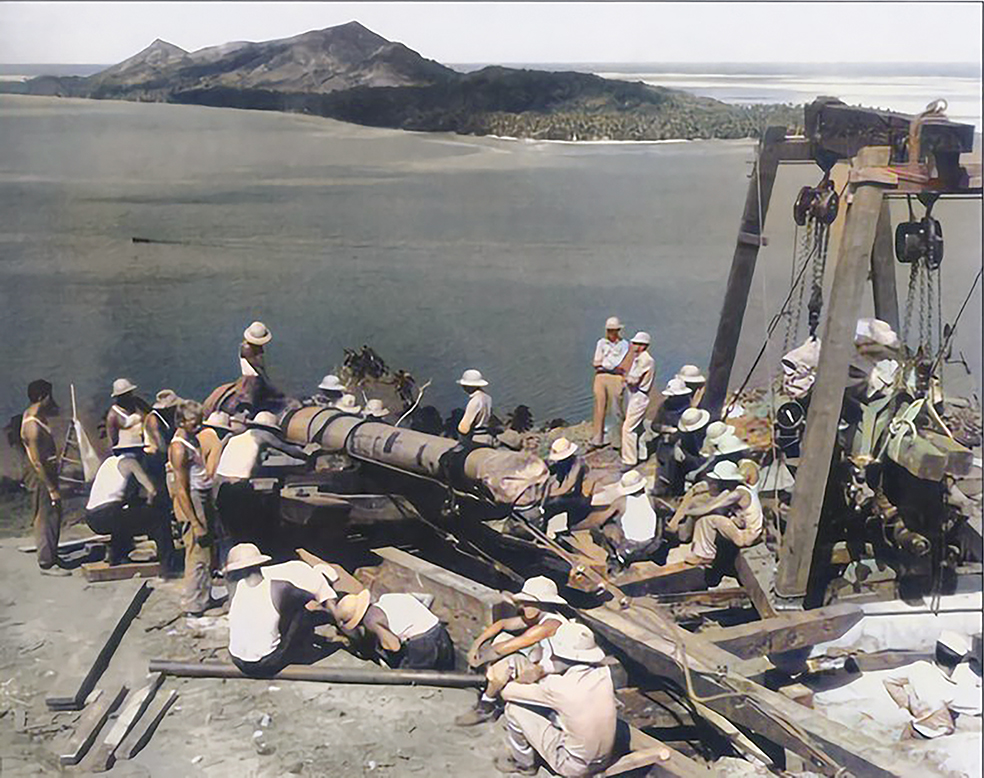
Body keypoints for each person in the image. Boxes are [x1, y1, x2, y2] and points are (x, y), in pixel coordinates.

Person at [496, 622, 616, 777]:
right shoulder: (603, 673)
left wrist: (527, 676)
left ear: (558, 655)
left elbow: (507, 692)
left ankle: (524, 764)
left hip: (573, 766)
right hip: (604, 758)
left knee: (514, 709)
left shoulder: (557, 688)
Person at [456, 576, 571, 727]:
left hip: (555, 677)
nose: (523, 607)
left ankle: (487, 705)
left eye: (528, 603)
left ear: (543, 603)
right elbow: (502, 624)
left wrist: (481, 658)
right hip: (543, 666)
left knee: (508, 661)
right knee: (502, 638)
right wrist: (476, 645)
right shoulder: (540, 616)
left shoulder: (549, 625)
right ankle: (495, 685)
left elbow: (511, 646)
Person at [225, 544, 340, 677]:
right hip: (265, 663)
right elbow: (308, 597)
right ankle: (302, 650)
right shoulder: (280, 588)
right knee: (301, 612)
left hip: (236, 659)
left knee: (271, 611)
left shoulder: (237, 587)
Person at [85, 425, 178, 573]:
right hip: (107, 515)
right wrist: (151, 504)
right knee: (159, 519)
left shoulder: (108, 462)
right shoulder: (131, 462)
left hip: (92, 516)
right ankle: (169, 564)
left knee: (127, 515)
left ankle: (117, 555)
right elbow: (152, 490)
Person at [214, 411, 312, 546]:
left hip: (221, 486)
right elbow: (287, 449)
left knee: (231, 530)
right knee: (248, 525)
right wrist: (308, 454)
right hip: (238, 487)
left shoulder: (236, 438)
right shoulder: (262, 435)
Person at [169, 402, 218, 616]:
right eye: (193, 422)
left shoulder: (192, 439)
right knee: (197, 552)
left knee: (206, 552)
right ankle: (194, 604)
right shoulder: (179, 448)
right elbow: (181, 490)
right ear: (181, 422)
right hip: (192, 500)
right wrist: (195, 522)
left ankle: (203, 598)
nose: (198, 425)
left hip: (202, 495)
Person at [332, 589, 455, 670]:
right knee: (445, 673)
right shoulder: (387, 597)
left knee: (414, 681)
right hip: (439, 632)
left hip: (422, 645)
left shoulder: (370, 620)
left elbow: (394, 646)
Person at [20, 380, 68, 575]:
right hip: (41, 474)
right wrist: (51, 488)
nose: (52, 399)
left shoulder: (37, 417)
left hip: (48, 471)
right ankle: (47, 562)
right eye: (49, 395)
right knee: (45, 515)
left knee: (54, 513)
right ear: (42, 397)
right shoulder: (32, 425)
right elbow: (37, 461)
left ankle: (52, 553)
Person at [683, 461, 763, 566]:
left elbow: (711, 507)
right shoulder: (732, 490)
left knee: (706, 520)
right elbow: (713, 502)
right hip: (743, 528)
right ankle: (701, 548)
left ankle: (705, 555)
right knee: (715, 516)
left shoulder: (738, 494)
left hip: (747, 535)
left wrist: (685, 512)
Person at [592, 470, 660, 569]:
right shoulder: (652, 500)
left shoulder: (621, 502)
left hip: (630, 548)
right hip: (652, 546)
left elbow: (600, 521)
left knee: (607, 528)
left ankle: (615, 557)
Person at [590, 317, 630, 451]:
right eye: (609, 330)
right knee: (599, 407)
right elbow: (596, 362)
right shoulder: (601, 343)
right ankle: (597, 439)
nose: (611, 333)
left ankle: (617, 441)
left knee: (616, 408)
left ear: (618, 330)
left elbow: (621, 364)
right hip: (601, 377)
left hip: (616, 378)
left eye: (613, 330)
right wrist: (608, 366)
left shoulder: (624, 344)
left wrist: (606, 365)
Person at [541, 438, 593, 532]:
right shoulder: (563, 464)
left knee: (554, 503)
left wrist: (546, 496)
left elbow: (567, 487)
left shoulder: (578, 463)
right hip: (568, 496)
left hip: (580, 498)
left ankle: (550, 530)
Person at [658, 407, 711, 497]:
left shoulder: (709, 434)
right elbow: (676, 440)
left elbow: (711, 458)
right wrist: (677, 448)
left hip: (704, 463)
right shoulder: (686, 434)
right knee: (673, 458)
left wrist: (696, 471)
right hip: (688, 458)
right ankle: (675, 491)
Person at [621, 332, 655, 469]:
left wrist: (625, 379)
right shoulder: (640, 358)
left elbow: (634, 379)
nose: (633, 345)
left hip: (639, 395)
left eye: (636, 343)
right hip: (637, 394)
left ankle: (629, 460)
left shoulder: (645, 360)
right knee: (638, 426)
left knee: (628, 428)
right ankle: (642, 453)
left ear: (643, 346)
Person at [232, 321, 279, 410]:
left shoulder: (257, 347)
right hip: (251, 378)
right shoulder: (247, 348)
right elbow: (258, 366)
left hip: (258, 377)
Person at [105, 378, 150, 447]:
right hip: (125, 449)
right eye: (123, 395)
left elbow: (151, 415)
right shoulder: (113, 415)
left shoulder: (138, 403)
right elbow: (113, 438)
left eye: (129, 393)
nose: (127, 397)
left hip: (145, 445)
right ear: (117, 397)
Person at [457, 369, 494, 445]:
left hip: (476, 439)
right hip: (488, 437)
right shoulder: (488, 398)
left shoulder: (475, 401)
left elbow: (464, 428)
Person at [143, 389, 180, 455]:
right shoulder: (153, 419)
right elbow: (161, 446)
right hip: (155, 454)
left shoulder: (172, 417)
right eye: (173, 407)